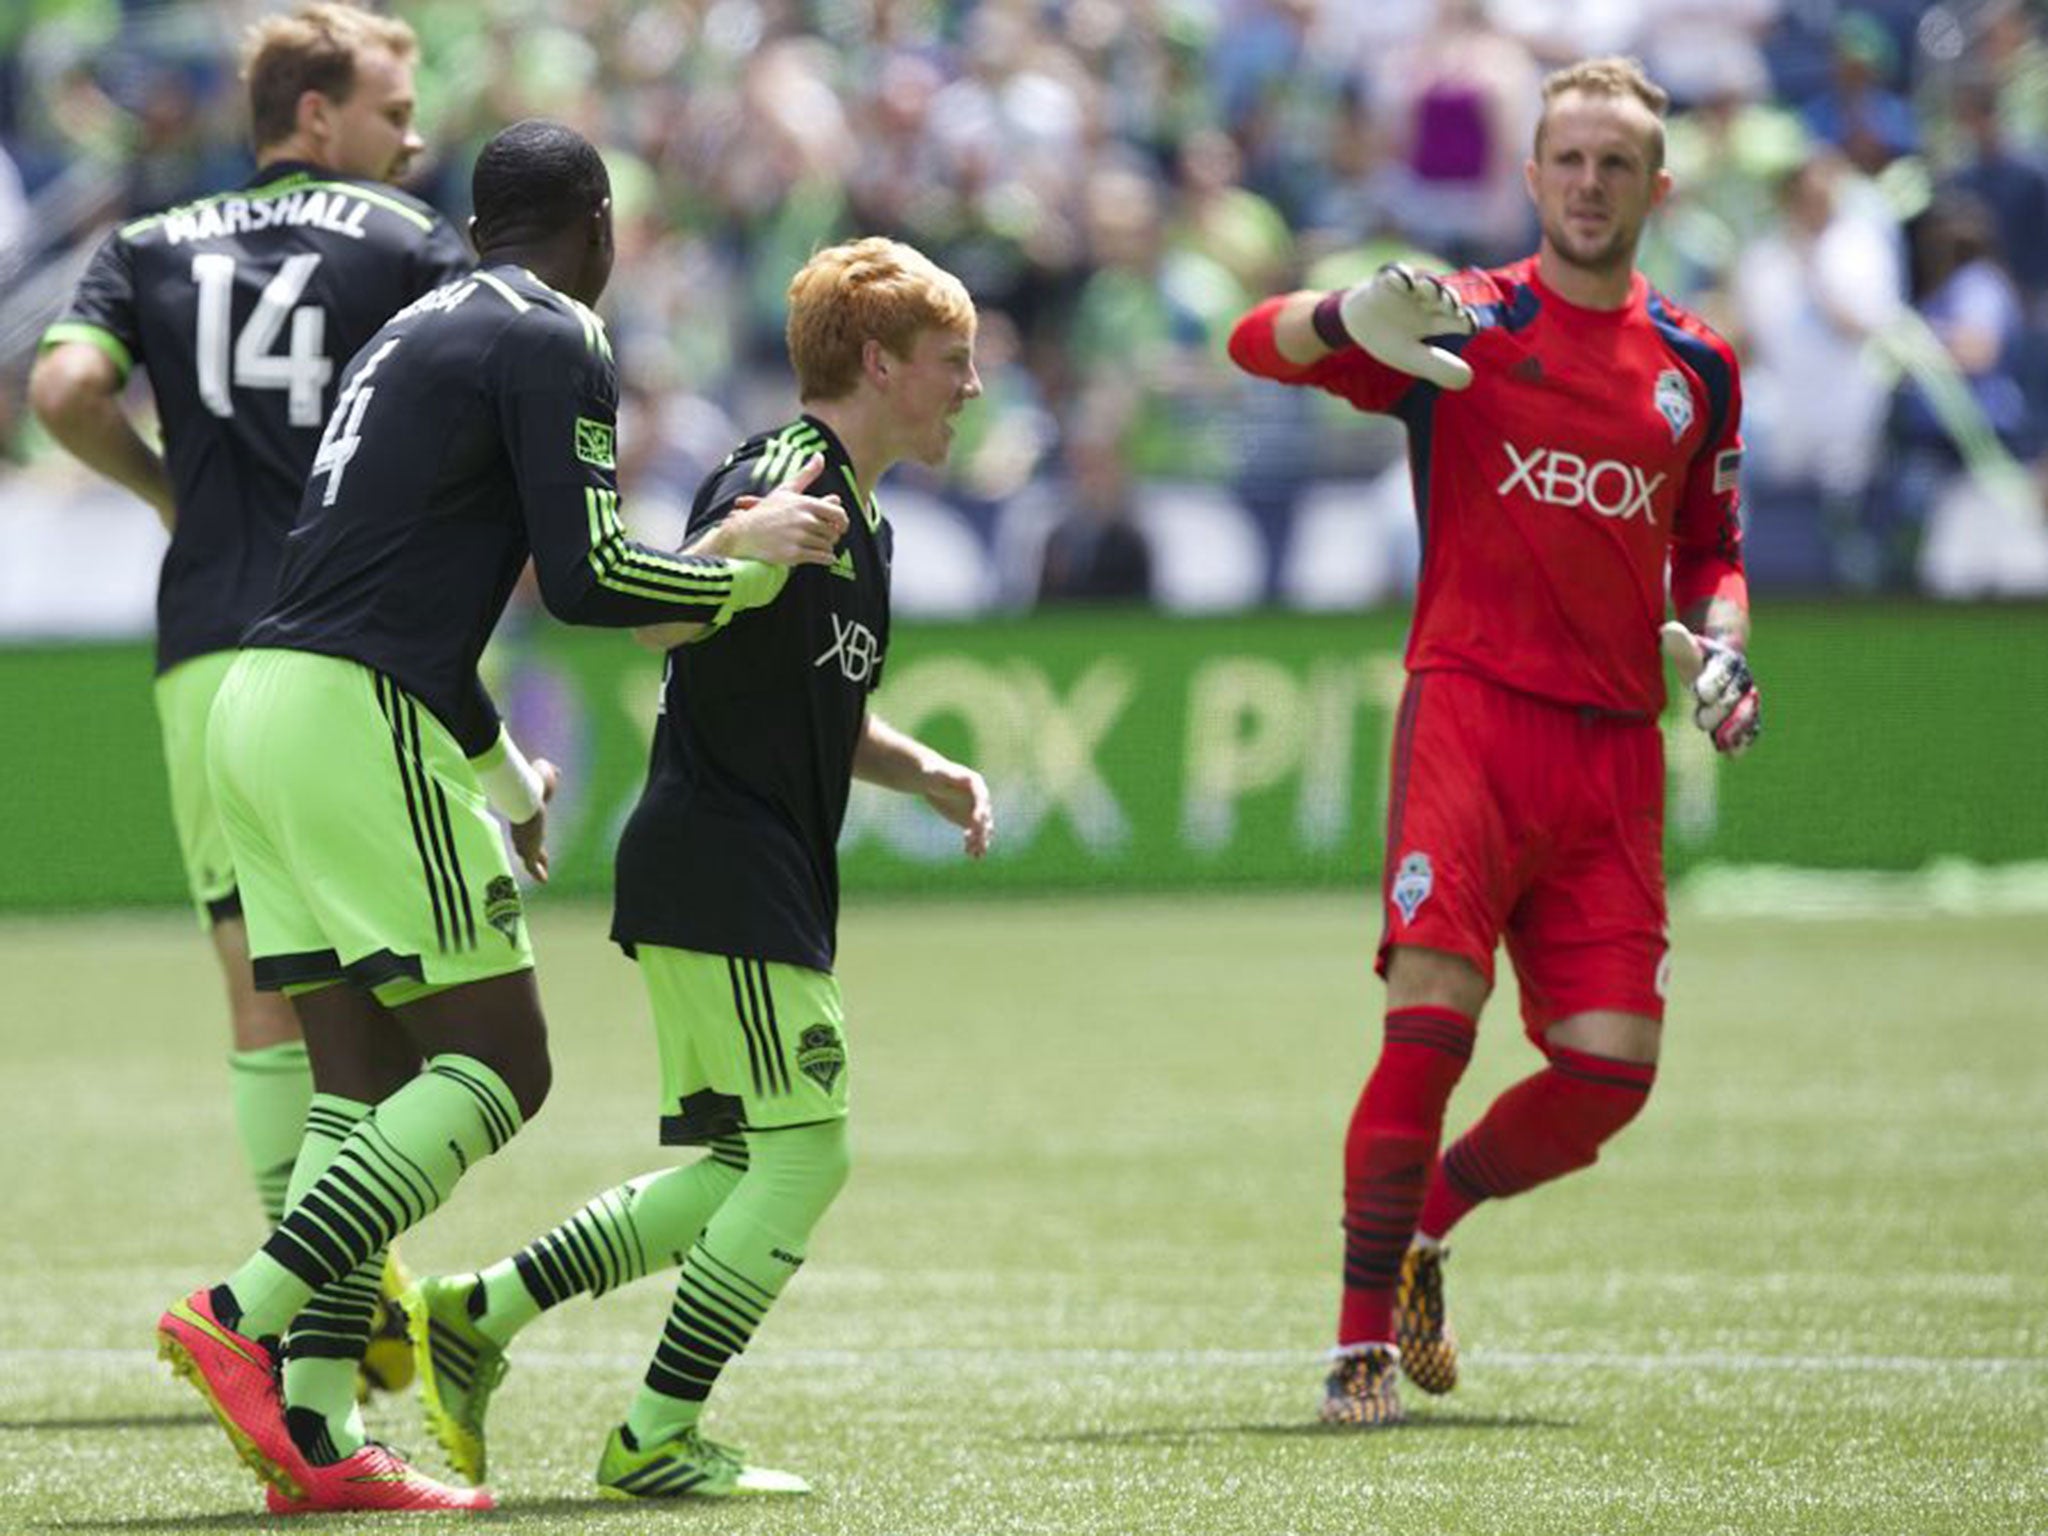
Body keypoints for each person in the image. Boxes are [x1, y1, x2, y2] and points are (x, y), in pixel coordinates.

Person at [151, 118, 851, 1514]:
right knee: (497, 1064)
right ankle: (244, 1310)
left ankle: (314, 1435)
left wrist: (502, 775)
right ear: (594, 223)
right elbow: (588, 579)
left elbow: (398, 580)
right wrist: (745, 565)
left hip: (260, 695)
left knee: (355, 1092)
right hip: (354, 713)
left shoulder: (415, 331)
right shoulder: (555, 333)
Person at [402, 236, 994, 1501]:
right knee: (807, 1156)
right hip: (724, 863)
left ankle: (476, 1313)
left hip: (739, 859)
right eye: (954, 361)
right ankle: (654, 1436)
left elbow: (804, 701)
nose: (974, 387)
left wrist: (926, 770)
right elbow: (659, 615)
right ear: (880, 361)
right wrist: (736, 537)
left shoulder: (859, 511)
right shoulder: (784, 476)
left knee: (740, 1166)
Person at [1227, 56, 1763, 1427]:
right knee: (1429, 1030)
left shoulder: (1698, 367)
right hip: (1470, 714)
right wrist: (1346, 308)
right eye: (1567, 160)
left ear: (1657, 185)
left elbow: (1711, 550)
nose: (1589, 184)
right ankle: (1355, 1349)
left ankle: (1426, 1230)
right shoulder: (1460, 322)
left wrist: (1723, 646)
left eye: (1615, 164)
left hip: (1612, 754)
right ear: (1531, 177)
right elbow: (1253, 342)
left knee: (1609, 1074)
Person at [27, 1, 473, 1400]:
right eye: (396, 112)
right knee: (412, 1002)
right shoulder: (407, 244)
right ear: (319, 115)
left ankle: (307, 1291)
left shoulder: (149, 245)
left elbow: (60, 387)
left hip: (208, 644)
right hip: (351, 649)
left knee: (262, 989)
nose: (415, 139)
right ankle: (319, 1288)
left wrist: (175, 494)